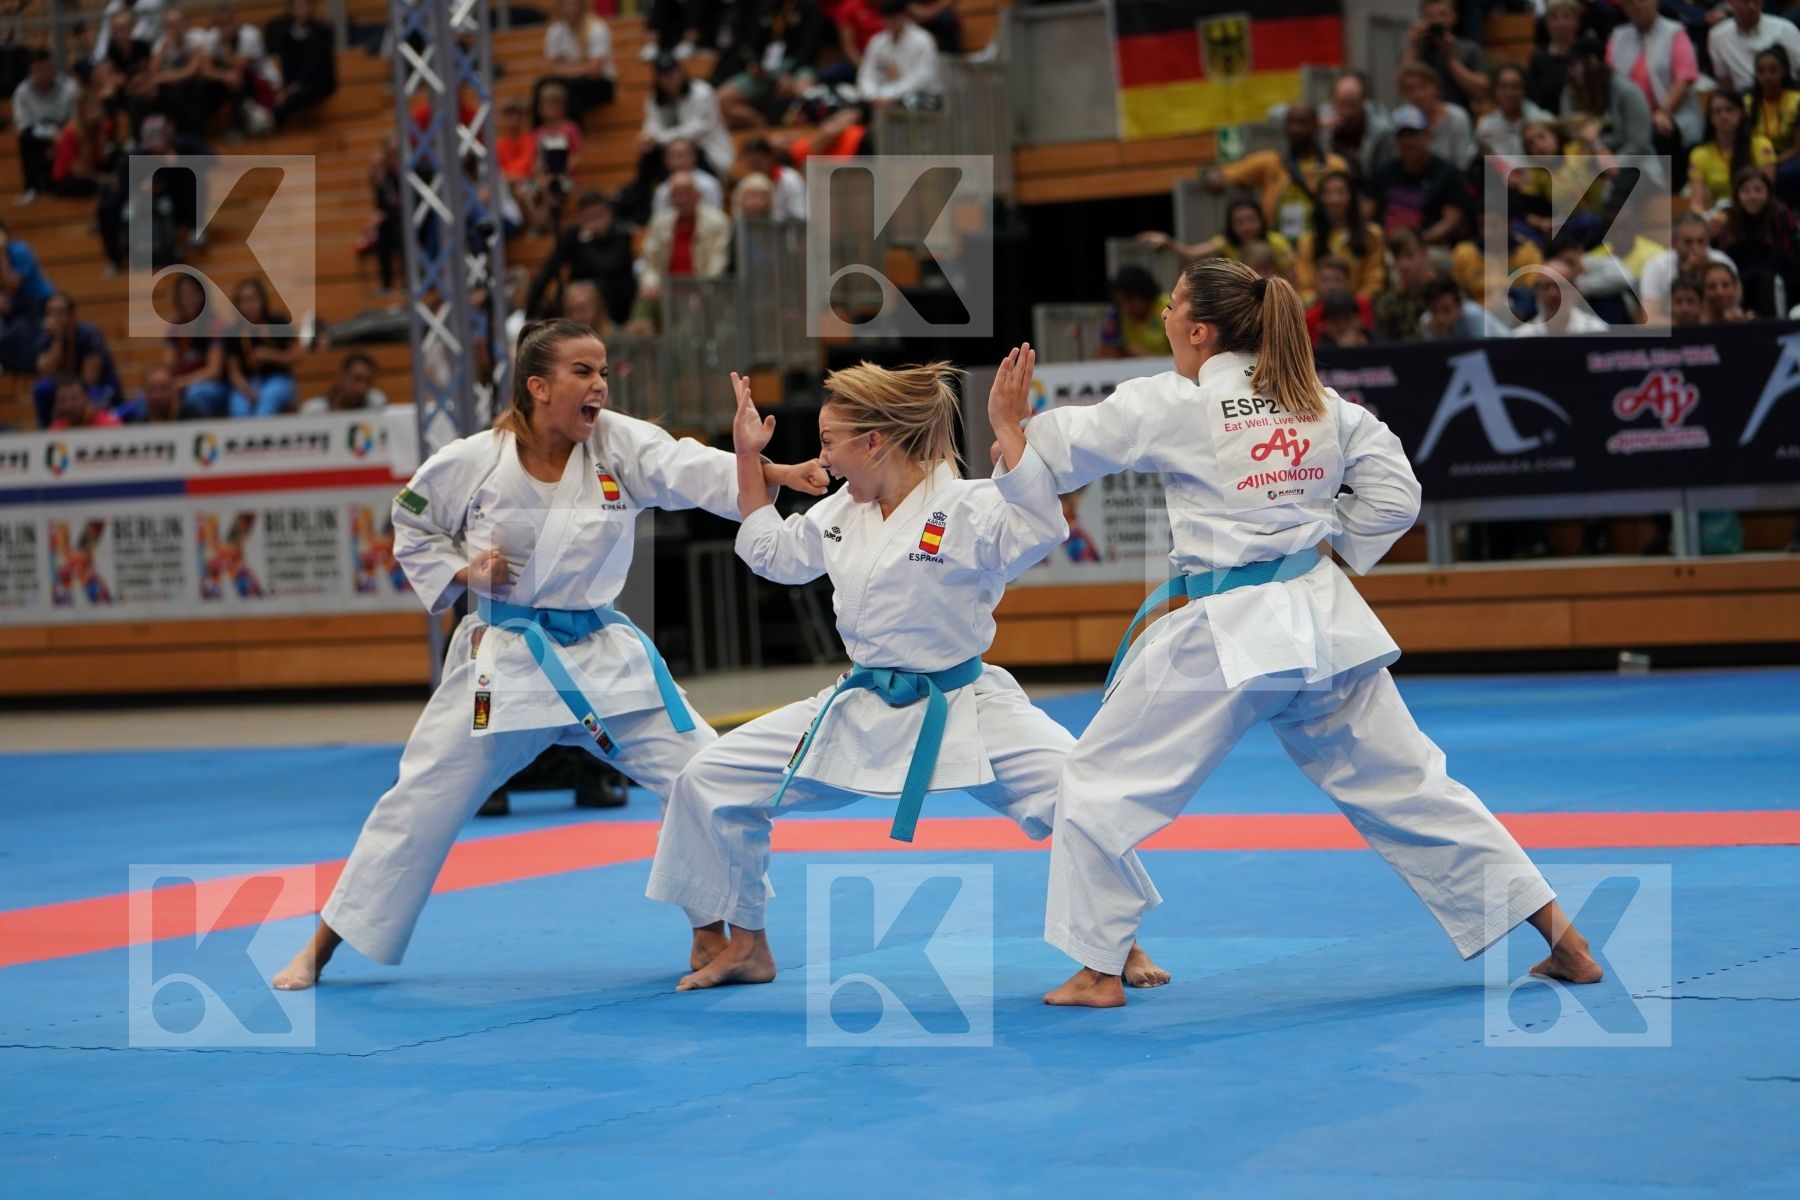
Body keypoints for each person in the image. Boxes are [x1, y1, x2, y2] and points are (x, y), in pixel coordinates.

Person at [1013, 257, 1603, 1008]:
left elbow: (1061, 448)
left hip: (1225, 631)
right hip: (1325, 624)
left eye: (1170, 307)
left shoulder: (1178, 400)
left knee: (1097, 782)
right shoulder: (1320, 402)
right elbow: (1397, 498)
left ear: (1198, 331)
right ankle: (1569, 944)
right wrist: (1325, 547)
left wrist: (1011, 427)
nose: (1162, 318)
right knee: (1416, 789)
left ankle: (1098, 971)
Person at [270, 320, 830, 990]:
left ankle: (714, 931)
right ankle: (322, 946)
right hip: (507, 659)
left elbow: (691, 468)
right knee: (420, 800)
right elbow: (412, 524)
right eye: (582, 373)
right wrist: (465, 573)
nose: (600, 385)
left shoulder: (618, 442)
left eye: (602, 371)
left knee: (701, 773)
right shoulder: (472, 460)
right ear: (538, 386)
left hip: (602, 655)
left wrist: (775, 472)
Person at [648, 352, 1169, 992]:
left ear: (875, 441)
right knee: (708, 777)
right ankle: (748, 946)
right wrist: (747, 458)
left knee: (1081, 792)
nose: (825, 458)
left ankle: (1116, 944)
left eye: (830, 442)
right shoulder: (843, 513)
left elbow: (1039, 525)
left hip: (965, 703)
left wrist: (1009, 429)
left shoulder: (968, 505)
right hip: (861, 703)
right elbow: (771, 555)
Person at [1203, 101, 1348, 243]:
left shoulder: (1335, 165)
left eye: (1302, 123)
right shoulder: (1271, 162)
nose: (1295, 129)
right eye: (1291, 123)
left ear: (1316, 126)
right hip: (1280, 247)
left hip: (1322, 242)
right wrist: (1214, 178)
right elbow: (1223, 174)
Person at [1608, 0, 1702, 190]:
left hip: (1671, 112)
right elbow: (1610, 78)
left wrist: (1664, 111)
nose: (1636, 6)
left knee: (1660, 132)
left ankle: (1671, 192)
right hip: (1629, 116)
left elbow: (1685, 78)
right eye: (1629, 3)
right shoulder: (1619, 36)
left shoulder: (1674, 32)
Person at [630, 172, 733, 332]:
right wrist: (651, 283)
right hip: (665, 290)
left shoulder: (717, 223)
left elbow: (716, 267)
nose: (682, 199)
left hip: (699, 291)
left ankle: (677, 350)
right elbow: (650, 263)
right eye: (676, 194)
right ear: (670, 198)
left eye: (686, 193)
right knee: (643, 303)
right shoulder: (660, 222)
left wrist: (701, 292)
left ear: (697, 194)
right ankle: (638, 352)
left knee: (687, 330)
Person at [1363, 106, 1473, 247]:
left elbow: (1451, 221)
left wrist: (1416, 242)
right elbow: (1365, 212)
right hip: (1385, 245)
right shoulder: (1383, 171)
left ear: (1428, 135)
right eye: (1402, 135)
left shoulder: (1448, 173)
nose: (1408, 142)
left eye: (1414, 134)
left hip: (1430, 247)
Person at [527, 190, 637, 329]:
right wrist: (529, 314)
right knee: (561, 300)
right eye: (588, 217)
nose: (594, 222)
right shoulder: (572, 235)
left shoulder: (621, 235)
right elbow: (547, 271)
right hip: (577, 297)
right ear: (581, 217)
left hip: (615, 302)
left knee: (593, 291)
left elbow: (607, 268)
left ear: (609, 214)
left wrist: (587, 241)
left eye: (599, 215)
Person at [1292, 171, 1386, 303]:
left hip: (1358, 309)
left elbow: (1374, 280)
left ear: (1352, 197)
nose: (1334, 200)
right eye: (1327, 193)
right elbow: (1306, 285)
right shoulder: (1307, 240)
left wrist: (1351, 305)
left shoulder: (1372, 234)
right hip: (1319, 309)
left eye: (1340, 193)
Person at [32, 293, 122, 427]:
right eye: (50, 313)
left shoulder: (89, 335)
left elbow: (90, 379)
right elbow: (44, 371)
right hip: (65, 389)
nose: (55, 318)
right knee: (42, 389)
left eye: (60, 312)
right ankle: (47, 434)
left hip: (99, 387)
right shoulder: (46, 339)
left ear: (72, 316)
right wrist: (58, 340)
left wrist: (69, 399)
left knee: (88, 397)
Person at [1561, 33, 1656, 158]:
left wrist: (1610, 166)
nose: (1570, 72)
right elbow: (1570, 133)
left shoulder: (1628, 93)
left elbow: (1638, 145)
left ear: (1592, 62)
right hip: (1588, 163)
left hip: (1632, 164)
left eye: (1574, 65)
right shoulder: (1570, 94)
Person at [1689, 88, 1776, 215]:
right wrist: (1706, 220)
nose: (1723, 116)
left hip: (1756, 213)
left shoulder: (1761, 145)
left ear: (1741, 112)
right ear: (1710, 118)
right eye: (1717, 112)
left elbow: (1766, 193)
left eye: (1729, 110)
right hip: (1720, 217)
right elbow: (1697, 204)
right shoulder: (1699, 155)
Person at [1139, 201, 1293, 272]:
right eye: (1239, 222)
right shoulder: (1225, 242)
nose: (1246, 227)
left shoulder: (1276, 242)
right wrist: (1167, 241)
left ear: (1261, 221)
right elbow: (1190, 253)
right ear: (1230, 226)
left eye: (1251, 220)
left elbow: (1292, 275)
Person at [1639, 210, 1738, 319]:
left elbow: (1734, 307)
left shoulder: (1722, 264)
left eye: (1701, 241)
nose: (1695, 248)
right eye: (1688, 242)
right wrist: (1685, 275)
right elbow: (1649, 319)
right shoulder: (1657, 267)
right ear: (1673, 243)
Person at [223, 278, 300, 417]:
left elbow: (296, 356)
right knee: (238, 406)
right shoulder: (234, 331)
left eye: (253, 299)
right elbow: (233, 372)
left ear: (262, 300)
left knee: (267, 402)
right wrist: (247, 390)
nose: (249, 305)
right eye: (244, 301)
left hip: (278, 379)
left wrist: (271, 355)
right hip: (248, 382)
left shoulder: (278, 322)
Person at [12, 51, 79, 205]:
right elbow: (23, 125)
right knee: (25, 140)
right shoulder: (22, 92)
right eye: (38, 70)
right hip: (38, 140)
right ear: (31, 71)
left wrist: (60, 139)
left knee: (74, 136)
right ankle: (32, 189)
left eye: (47, 69)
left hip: (66, 135)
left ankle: (63, 182)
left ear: (53, 67)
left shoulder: (69, 88)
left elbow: (76, 119)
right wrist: (50, 137)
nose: (43, 74)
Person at [538, 0, 616, 126]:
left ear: (581, 5)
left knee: (571, 88)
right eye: (566, 4)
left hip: (601, 84)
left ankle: (574, 135)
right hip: (572, 80)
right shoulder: (556, 31)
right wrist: (578, 69)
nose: (569, 8)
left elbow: (595, 69)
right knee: (542, 85)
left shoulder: (596, 28)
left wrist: (565, 69)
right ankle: (540, 135)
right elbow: (549, 66)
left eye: (572, 3)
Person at [1402, 0, 1490, 110]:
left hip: (1458, 116)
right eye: (1430, 16)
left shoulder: (1469, 48)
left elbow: (1481, 91)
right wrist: (1413, 45)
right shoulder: (1416, 49)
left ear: (1454, 17)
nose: (1437, 20)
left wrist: (1449, 58)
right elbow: (1403, 81)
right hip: (1420, 117)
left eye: (1443, 14)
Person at [857, 0, 942, 108]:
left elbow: (924, 77)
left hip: (918, 96)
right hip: (881, 96)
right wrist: (872, 95)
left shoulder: (923, 39)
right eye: (887, 18)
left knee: (909, 102)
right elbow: (867, 74)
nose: (891, 22)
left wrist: (889, 94)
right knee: (858, 106)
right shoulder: (877, 42)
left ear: (904, 16)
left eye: (894, 18)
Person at [265, 0, 337, 125]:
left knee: (292, 98)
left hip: (318, 81)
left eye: (306, 6)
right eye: (299, 7)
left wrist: (296, 85)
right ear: (291, 10)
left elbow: (317, 63)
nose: (303, 10)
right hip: (294, 81)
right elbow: (284, 59)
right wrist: (289, 85)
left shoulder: (322, 31)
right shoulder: (283, 31)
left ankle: (270, 123)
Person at [1395, 63, 1477, 170]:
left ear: (1436, 87)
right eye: (1410, 89)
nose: (1418, 94)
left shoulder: (1457, 117)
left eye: (1423, 87)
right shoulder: (1400, 119)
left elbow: (1462, 164)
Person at [1747, 46, 1800, 206]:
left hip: (1790, 155)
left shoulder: (1796, 101)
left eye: (1772, 70)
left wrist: (1772, 161)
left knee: (1784, 173)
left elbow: (1798, 147)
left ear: (1783, 72)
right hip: (1757, 155)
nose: (1767, 76)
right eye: (1761, 71)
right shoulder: (1747, 102)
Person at [1710, 0, 1800, 94]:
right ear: (1731, 3)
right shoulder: (1718, 36)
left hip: (1785, 95)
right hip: (1743, 98)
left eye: (1756, 2)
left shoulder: (1784, 29)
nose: (1752, 7)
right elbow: (1725, 80)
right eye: (1745, 2)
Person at [1320, 70, 1390, 188]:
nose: (1348, 112)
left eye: (1353, 105)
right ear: (1332, 101)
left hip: (1365, 187)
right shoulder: (1323, 116)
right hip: (1331, 189)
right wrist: (1315, 125)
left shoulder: (1380, 127)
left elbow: (1382, 172)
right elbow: (1279, 117)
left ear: (1363, 102)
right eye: (1342, 105)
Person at [1478, 64, 1554, 158]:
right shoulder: (1485, 127)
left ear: (1525, 90)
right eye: (1503, 87)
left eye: (1515, 87)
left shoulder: (1544, 120)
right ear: (1495, 91)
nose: (1509, 93)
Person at [1099, 266, 1171, 359]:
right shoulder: (1116, 316)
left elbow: (1183, 355)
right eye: (1120, 303)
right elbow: (1103, 354)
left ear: (1145, 293)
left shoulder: (1168, 307)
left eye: (1130, 300)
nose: (1126, 308)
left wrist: (1145, 358)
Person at [1303, 256, 1376, 343]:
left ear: (1347, 282)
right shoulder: (1309, 317)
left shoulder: (1363, 305)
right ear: (1316, 282)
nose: (1330, 286)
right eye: (1325, 280)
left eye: (1336, 280)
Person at [1530, 0, 1586, 113]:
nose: (1561, 23)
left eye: (1566, 17)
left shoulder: (1586, 52)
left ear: (1576, 21)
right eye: (1554, 18)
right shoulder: (1538, 59)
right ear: (1547, 23)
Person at [650, 138, 725, 215]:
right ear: (666, 160)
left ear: (693, 156)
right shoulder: (662, 190)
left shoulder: (709, 184)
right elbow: (659, 221)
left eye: (682, 155)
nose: (679, 161)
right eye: (673, 156)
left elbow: (716, 216)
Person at [742, 136, 807, 219]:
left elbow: (800, 215)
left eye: (758, 163)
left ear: (771, 158)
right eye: (751, 165)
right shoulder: (747, 183)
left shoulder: (790, 180)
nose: (756, 170)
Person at [300, 352, 388, 414]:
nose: (362, 388)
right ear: (341, 376)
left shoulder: (374, 404)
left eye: (368, 382)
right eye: (357, 379)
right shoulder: (313, 411)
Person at [46, 375, 123, 430]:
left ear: (87, 397)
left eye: (75, 398)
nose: (68, 405)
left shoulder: (107, 423)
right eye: (62, 400)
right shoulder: (56, 428)